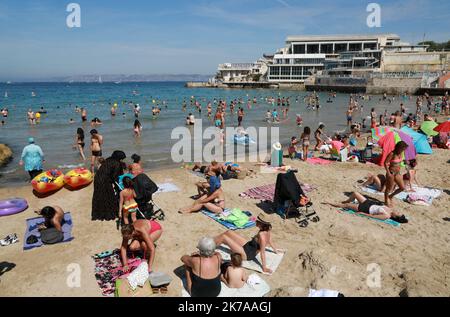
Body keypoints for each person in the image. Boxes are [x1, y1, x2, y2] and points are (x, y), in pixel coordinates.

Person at [213, 213, 281, 274]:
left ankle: (209, 246)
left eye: (257, 221)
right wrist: (275, 250)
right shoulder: (268, 229)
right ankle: (212, 242)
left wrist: (264, 268)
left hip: (247, 254)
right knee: (228, 232)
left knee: (224, 238)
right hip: (249, 245)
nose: (256, 221)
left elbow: (262, 252)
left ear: (262, 224)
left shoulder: (262, 236)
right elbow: (269, 240)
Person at [323, 192, 408, 223]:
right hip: (369, 203)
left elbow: (373, 216)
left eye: (398, 213)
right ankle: (346, 200)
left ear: (395, 216)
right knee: (355, 193)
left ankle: (329, 203)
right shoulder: (390, 209)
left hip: (365, 208)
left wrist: (363, 213)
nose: (397, 211)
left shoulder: (386, 216)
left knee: (347, 206)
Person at [92, 151, 126, 221]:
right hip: (105, 181)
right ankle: (108, 214)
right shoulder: (117, 163)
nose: (122, 160)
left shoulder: (108, 160)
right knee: (108, 196)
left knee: (99, 196)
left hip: (97, 178)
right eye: (122, 158)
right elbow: (115, 177)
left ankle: (98, 213)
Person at [384, 141, 409, 207]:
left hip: (398, 173)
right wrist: (388, 173)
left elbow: (398, 162)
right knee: (389, 188)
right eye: (403, 149)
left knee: (402, 188)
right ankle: (386, 200)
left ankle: (391, 196)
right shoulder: (392, 154)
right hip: (391, 173)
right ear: (399, 147)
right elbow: (385, 163)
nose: (403, 150)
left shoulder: (400, 153)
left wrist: (404, 161)